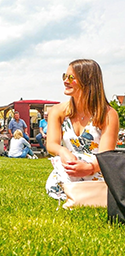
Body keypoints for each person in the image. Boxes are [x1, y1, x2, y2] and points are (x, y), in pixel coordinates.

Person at [45, 59, 119, 200]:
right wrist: (63, 151)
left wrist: (89, 168)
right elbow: (51, 144)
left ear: (88, 81)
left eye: (71, 77)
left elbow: (105, 155)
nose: (65, 81)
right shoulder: (58, 111)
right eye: (64, 76)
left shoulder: (108, 114)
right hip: (69, 167)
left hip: (97, 170)